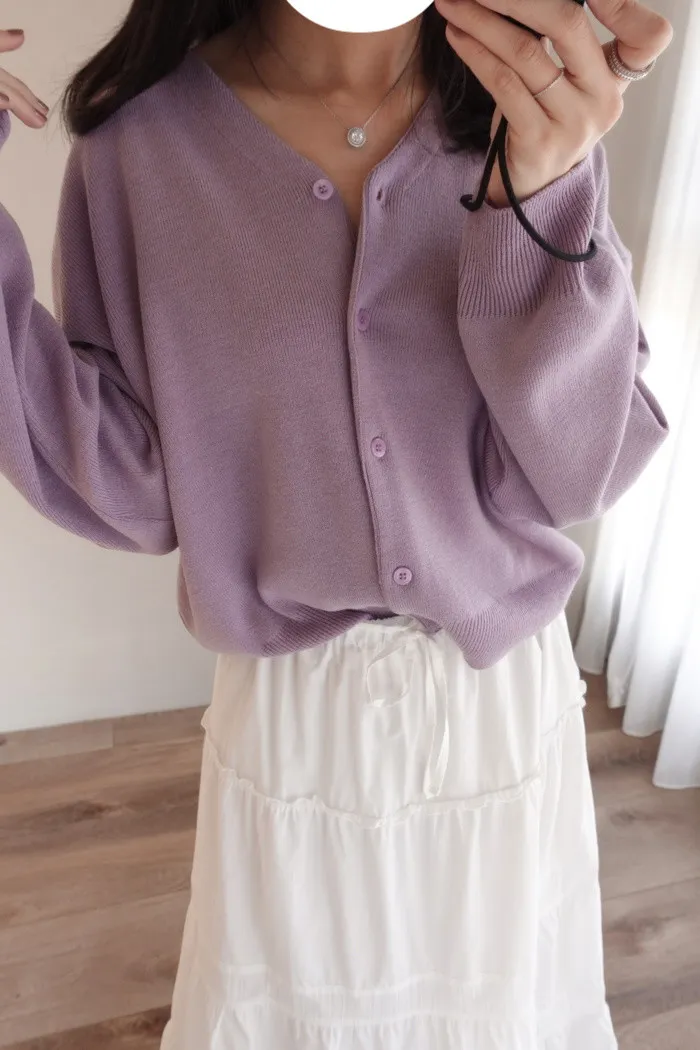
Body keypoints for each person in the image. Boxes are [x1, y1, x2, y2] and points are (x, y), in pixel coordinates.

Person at [0, 0, 674, 1046]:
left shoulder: (523, 116)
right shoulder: (141, 149)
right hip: (294, 721)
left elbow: (585, 465)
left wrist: (539, 201)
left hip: (497, 705)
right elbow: (122, 478)